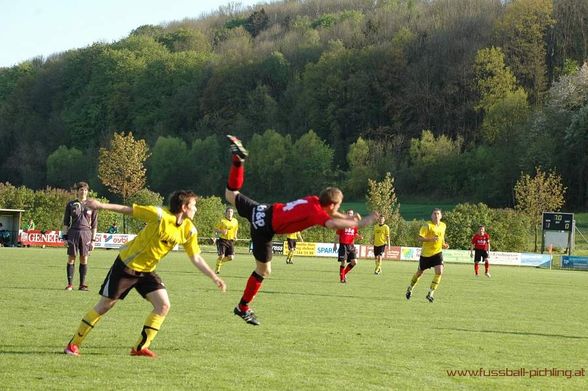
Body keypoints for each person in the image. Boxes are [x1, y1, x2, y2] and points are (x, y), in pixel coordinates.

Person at [224, 135, 378, 325]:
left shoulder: (314, 200)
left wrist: (347, 217)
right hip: (264, 228)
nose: (339, 208)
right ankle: (243, 307)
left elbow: (331, 215)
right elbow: (331, 223)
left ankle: (237, 161)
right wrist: (361, 223)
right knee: (264, 271)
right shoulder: (316, 213)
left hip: (263, 210)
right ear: (331, 204)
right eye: (338, 205)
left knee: (231, 194)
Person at [64, 190, 226, 358]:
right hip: (126, 266)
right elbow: (129, 210)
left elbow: (196, 257)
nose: (196, 209)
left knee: (163, 305)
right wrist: (101, 205)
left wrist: (214, 276)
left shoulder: (189, 230)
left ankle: (140, 347)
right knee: (105, 305)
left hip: (147, 271)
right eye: (194, 205)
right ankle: (73, 344)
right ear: (184, 207)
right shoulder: (159, 215)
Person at [405, 208, 448, 303]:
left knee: (439, 272)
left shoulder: (443, 226)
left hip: (437, 253)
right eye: (434, 214)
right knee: (419, 273)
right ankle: (410, 288)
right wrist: (431, 239)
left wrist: (444, 245)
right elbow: (420, 238)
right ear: (431, 216)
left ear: (441, 216)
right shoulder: (427, 225)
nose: (436, 215)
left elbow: (441, 237)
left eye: (438, 214)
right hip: (426, 255)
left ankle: (430, 293)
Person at [62, 182, 98, 291]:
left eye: (85, 190)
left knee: (84, 258)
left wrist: (93, 240)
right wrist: (64, 237)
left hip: (86, 234)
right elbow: (66, 223)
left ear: (88, 192)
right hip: (73, 233)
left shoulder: (92, 205)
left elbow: (94, 225)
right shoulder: (71, 204)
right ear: (77, 191)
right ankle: (69, 284)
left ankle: (82, 285)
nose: (83, 192)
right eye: (81, 190)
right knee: (71, 258)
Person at [334, 210, 362, 283]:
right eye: (349, 213)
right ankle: (342, 278)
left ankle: (343, 274)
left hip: (351, 245)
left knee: (354, 262)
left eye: (351, 214)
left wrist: (359, 237)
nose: (350, 215)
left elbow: (354, 234)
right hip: (343, 245)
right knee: (344, 262)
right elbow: (337, 235)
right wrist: (335, 245)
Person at [214, 206, 239, 274]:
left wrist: (235, 236)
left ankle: (219, 262)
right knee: (221, 256)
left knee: (231, 257)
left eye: (231, 212)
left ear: (233, 213)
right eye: (228, 212)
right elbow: (215, 229)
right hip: (223, 240)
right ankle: (217, 268)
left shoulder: (235, 221)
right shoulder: (222, 220)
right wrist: (221, 231)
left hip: (230, 241)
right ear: (226, 213)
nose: (230, 213)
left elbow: (236, 229)